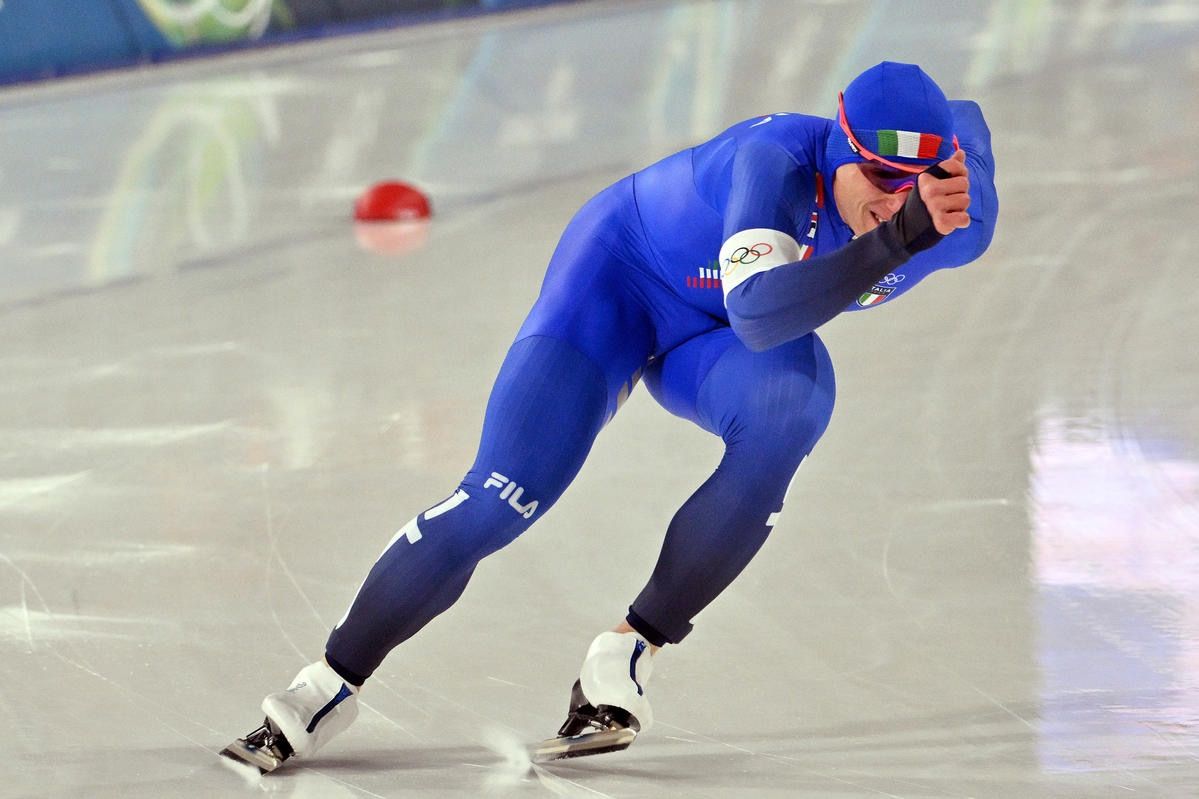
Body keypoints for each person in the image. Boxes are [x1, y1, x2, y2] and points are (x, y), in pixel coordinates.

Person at [223, 60, 998, 771]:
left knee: (791, 410)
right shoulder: (778, 164)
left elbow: (954, 143)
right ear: (839, 141)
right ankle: (326, 684)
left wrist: (909, 227)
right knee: (502, 496)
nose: (893, 198)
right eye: (877, 175)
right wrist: (898, 239)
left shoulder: (958, 213)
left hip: (715, 342)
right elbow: (761, 315)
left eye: (913, 183)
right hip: (621, 283)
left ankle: (625, 652)